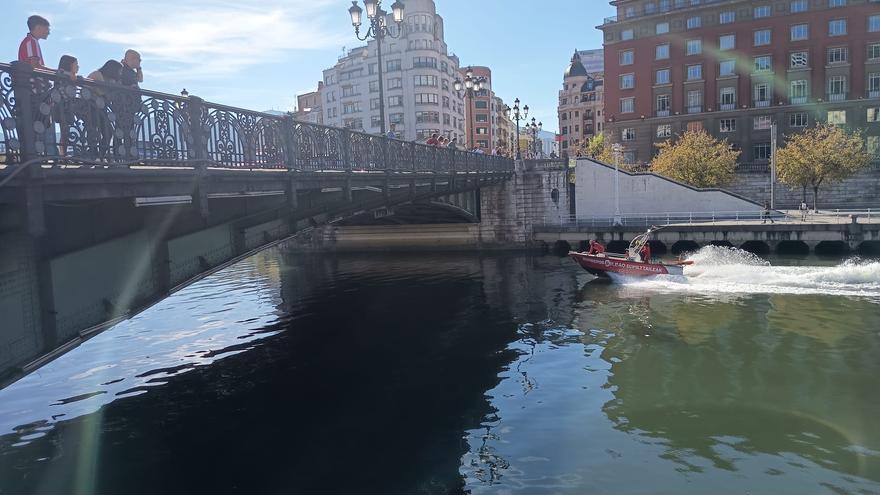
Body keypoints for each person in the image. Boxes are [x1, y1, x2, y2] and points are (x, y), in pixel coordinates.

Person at [55, 55, 80, 156]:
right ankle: (62, 154)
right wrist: (69, 74)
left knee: (66, 130)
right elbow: (59, 72)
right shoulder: (62, 73)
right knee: (64, 130)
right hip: (61, 106)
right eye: (76, 65)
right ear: (69, 65)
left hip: (68, 106)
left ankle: (63, 153)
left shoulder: (73, 77)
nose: (78, 67)